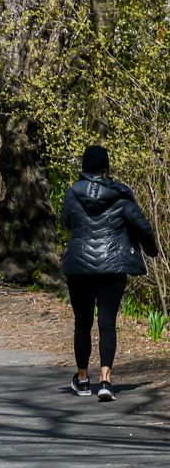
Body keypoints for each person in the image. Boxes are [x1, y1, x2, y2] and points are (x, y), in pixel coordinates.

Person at [60, 145, 158, 402]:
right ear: (106, 167)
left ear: (84, 167)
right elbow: (143, 227)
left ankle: (82, 379)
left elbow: (66, 222)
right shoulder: (121, 195)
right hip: (113, 266)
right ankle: (105, 381)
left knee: (82, 323)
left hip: (79, 266)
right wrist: (152, 251)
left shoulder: (72, 193)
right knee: (107, 324)